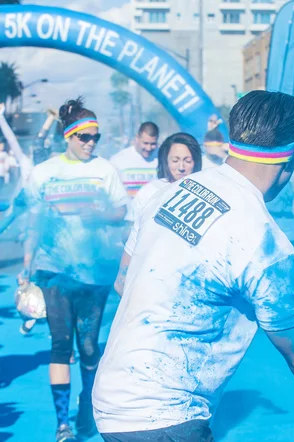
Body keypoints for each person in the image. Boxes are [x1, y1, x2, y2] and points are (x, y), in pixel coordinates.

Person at [93, 91, 294, 442]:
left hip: (111, 398)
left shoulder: (170, 191)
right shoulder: (264, 241)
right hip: (165, 415)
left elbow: (123, 282)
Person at [19, 97, 129, 442]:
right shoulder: (44, 174)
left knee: (90, 348)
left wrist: (103, 215)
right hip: (53, 272)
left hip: (94, 273)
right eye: (85, 137)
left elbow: (122, 211)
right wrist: (26, 267)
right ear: (68, 136)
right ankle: (62, 424)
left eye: (96, 136)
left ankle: (86, 406)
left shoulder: (105, 170)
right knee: (60, 345)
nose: (92, 143)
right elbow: (33, 223)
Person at [125, 132, 202, 226]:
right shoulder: (150, 191)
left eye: (187, 161)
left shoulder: (203, 192)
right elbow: (127, 231)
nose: (181, 167)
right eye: (175, 160)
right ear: (165, 160)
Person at [109, 122, 159, 198]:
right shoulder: (118, 160)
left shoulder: (162, 158)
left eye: (153, 144)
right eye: (145, 143)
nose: (148, 148)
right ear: (137, 138)